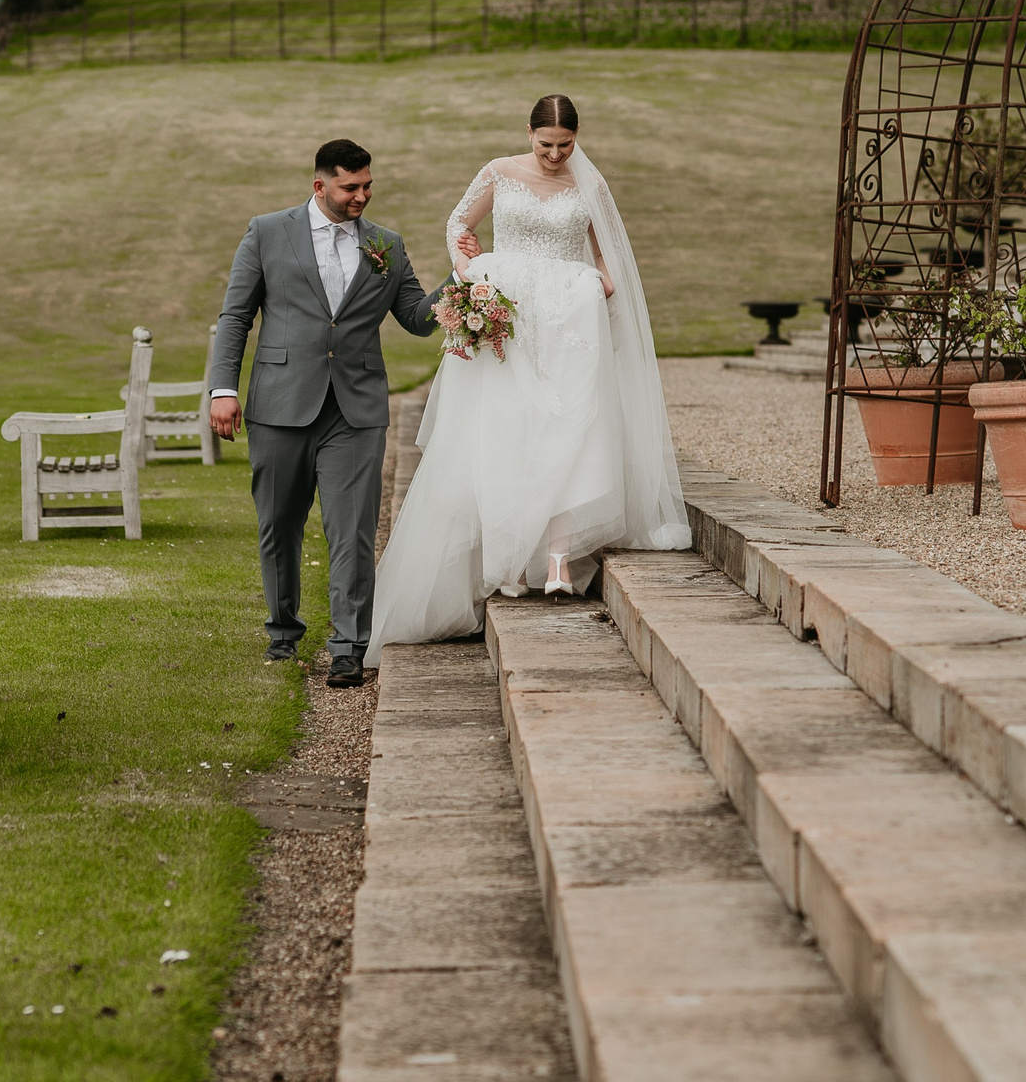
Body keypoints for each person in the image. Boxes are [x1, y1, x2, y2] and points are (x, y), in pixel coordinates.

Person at [368, 94, 688, 661]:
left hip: (568, 313)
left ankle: (560, 556)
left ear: (577, 138)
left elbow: (606, 247)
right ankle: (510, 556)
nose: (555, 155)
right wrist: (469, 270)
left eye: (565, 146)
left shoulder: (590, 185)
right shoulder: (499, 171)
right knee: (507, 425)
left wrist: (605, 282)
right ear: (529, 133)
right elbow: (458, 222)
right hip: (510, 309)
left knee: (569, 423)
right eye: (546, 145)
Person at [210, 139, 438, 688]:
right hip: (280, 404)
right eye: (350, 187)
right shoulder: (267, 232)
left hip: (356, 409)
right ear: (320, 186)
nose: (361, 196)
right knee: (279, 524)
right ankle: (283, 633)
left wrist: (467, 276)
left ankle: (348, 646)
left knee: (353, 531)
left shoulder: (387, 243)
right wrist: (223, 388)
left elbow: (417, 318)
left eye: (367, 186)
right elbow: (235, 315)